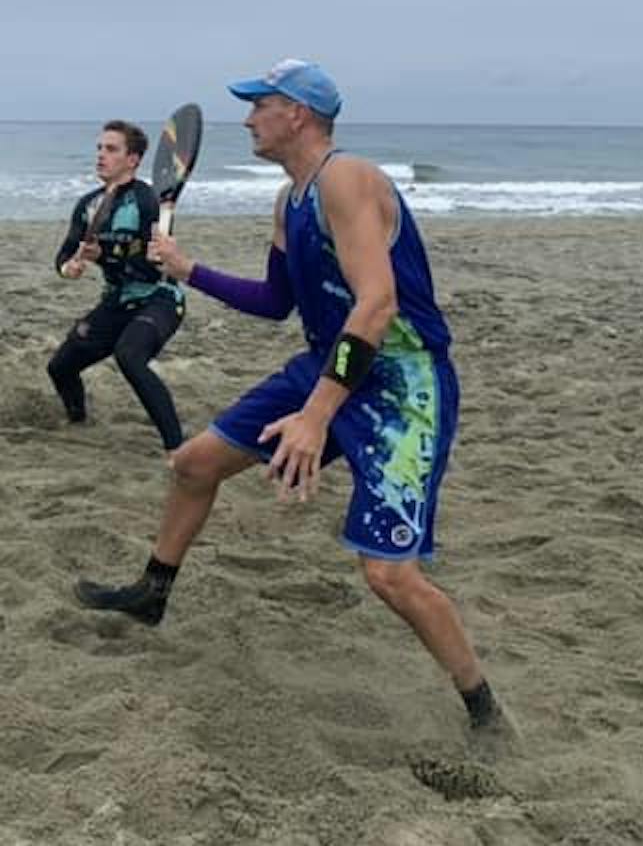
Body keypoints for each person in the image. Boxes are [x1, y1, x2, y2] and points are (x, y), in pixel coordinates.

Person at [71, 60, 513, 744]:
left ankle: (485, 711)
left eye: (260, 106)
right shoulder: (290, 199)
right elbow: (278, 302)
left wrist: (316, 415)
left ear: (297, 115)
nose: (248, 119)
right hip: (327, 362)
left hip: (401, 385)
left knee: (389, 575)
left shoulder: (348, 179)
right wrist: (191, 272)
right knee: (193, 465)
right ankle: (153, 593)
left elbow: (377, 304)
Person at [48, 121, 188, 453]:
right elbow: (64, 256)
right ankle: (78, 423)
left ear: (133, 159)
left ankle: (177, 448)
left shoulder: (148, 200)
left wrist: (106, 253)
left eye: (111, 149)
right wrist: (72, 267)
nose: (101, 155)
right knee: (60, 367)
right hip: (116, 302)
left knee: (129, 355)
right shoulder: (88, 205)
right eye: (99, 148)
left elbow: (156, 261)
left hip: (159, 298)